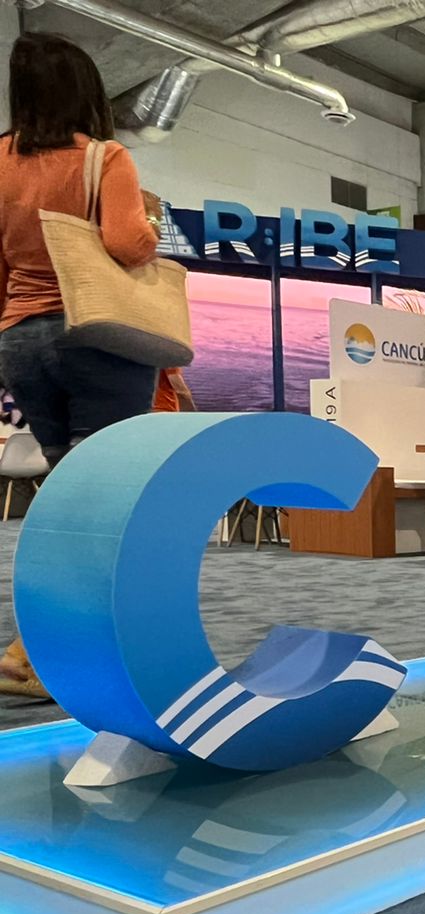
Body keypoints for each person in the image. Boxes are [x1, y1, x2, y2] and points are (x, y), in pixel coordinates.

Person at [0, 33, 163, 700]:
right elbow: (127, 243)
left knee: (67, 496)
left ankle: (33, 649)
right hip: (96, 338)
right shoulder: (104, 157)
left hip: (19, 340)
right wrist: (149, 223)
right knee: (106, 503)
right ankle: (43, 653)